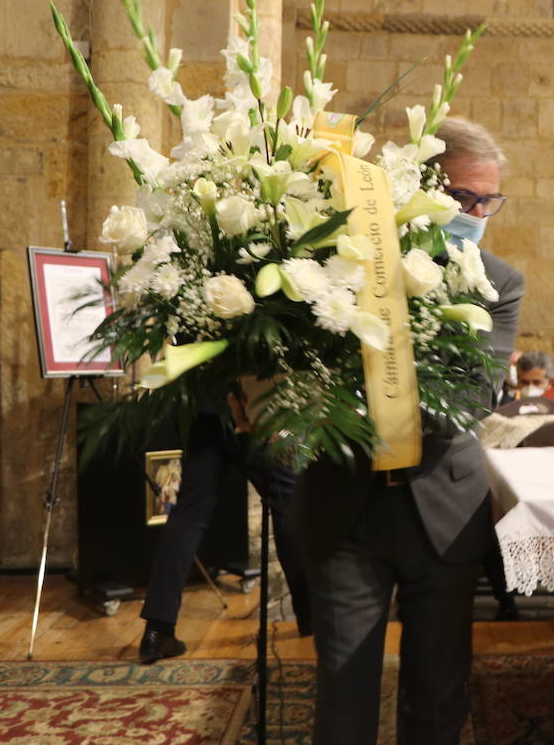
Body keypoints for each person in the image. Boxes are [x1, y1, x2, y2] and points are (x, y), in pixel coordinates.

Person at [291, 116, 523, 744]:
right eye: (463, 198)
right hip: (345, 508)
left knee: (438, 698)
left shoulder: (499, 282)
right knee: (344, 695)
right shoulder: (339, 261)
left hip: (442, 510)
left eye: (488, 200)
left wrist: (368, 396)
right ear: (422, 190)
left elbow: (472, 393)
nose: (477, 212)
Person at [135, 397, 311, 664]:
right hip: (257, 408)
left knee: (187, 515)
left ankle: (157, 630)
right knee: (289, 506)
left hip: (208, 407)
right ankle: (310, 616)